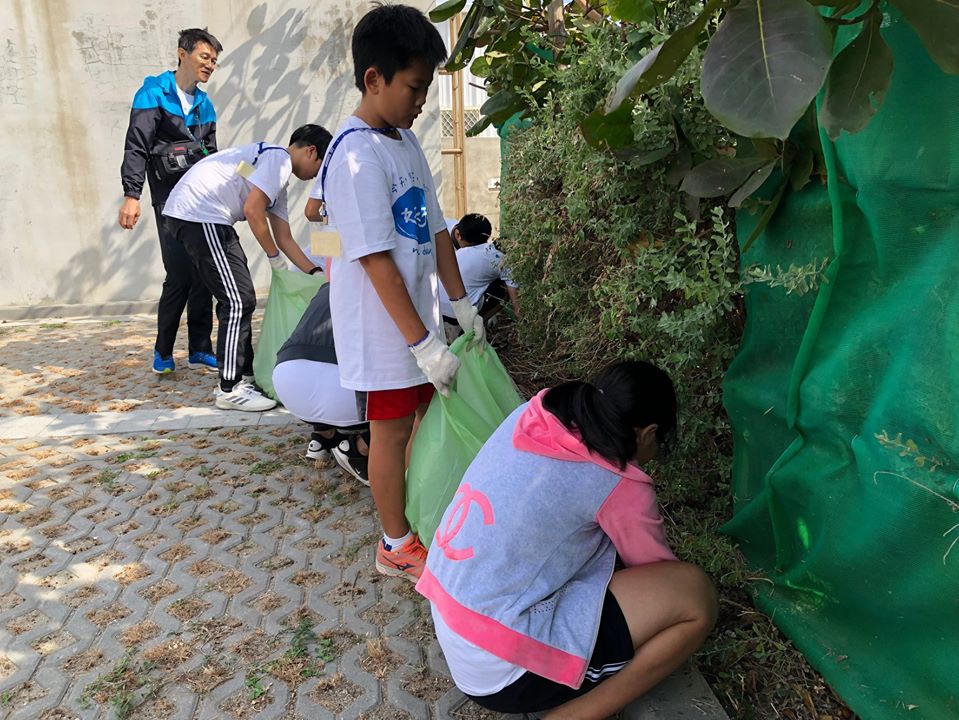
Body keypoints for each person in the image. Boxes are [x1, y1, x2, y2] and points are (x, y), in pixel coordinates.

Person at [417, 361, 718, 718]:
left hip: (455, 623)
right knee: (694, 596)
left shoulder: (534, 414)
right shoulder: (620, 483)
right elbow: (659, 576)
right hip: (504, 673)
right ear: (648, 434)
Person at [310, 4, 485, 582]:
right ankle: (395, 542)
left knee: (424, 421)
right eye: (414, 87)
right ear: (374, 79)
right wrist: (423, 345)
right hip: (382, 328)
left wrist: (462, 307)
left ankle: (423, 512)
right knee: (390, 431)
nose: (422, 101)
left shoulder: (404, 142)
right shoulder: (354, 156)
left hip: (418, 321)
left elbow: (437, 231)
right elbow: (376, 261)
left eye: (427, 87)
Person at [162, 124, 333, 412]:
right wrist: (273, 257)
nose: (316, 176)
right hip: (201, 214)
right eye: (319, 167)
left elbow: (285, 238)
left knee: (238, 296)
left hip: (202, 217)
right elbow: (253, 210)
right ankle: (229, 388)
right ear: (311, 151)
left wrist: (315, 274)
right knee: (238, 300)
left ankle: (244, 373)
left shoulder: (276, 179)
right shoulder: (278, 160)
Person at [119, 28, 223, 376]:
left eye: (214, 61)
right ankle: (163, 350)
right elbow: (137, 146)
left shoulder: (205, 105)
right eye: (205, 57)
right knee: (179, 273)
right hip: (168, 199)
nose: (210, 65)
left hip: (201, 201)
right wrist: (132, 194)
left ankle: (200, 348)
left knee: (203, 271)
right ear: (183, 54)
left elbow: (212, 154)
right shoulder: (153, 93)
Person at [272, 283, 370, 483]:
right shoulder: (392, 282)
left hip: (287, 380)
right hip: (345, 397)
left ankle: (323, 435)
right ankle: (359, 447)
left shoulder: (330, 285)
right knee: (413, 393)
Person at [438, 213, 520, 325]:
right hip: (457, 315)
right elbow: (516, 306)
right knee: (502, 288)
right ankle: (474, 327)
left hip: (438, 308)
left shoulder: (464, 249)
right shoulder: (504, 261)